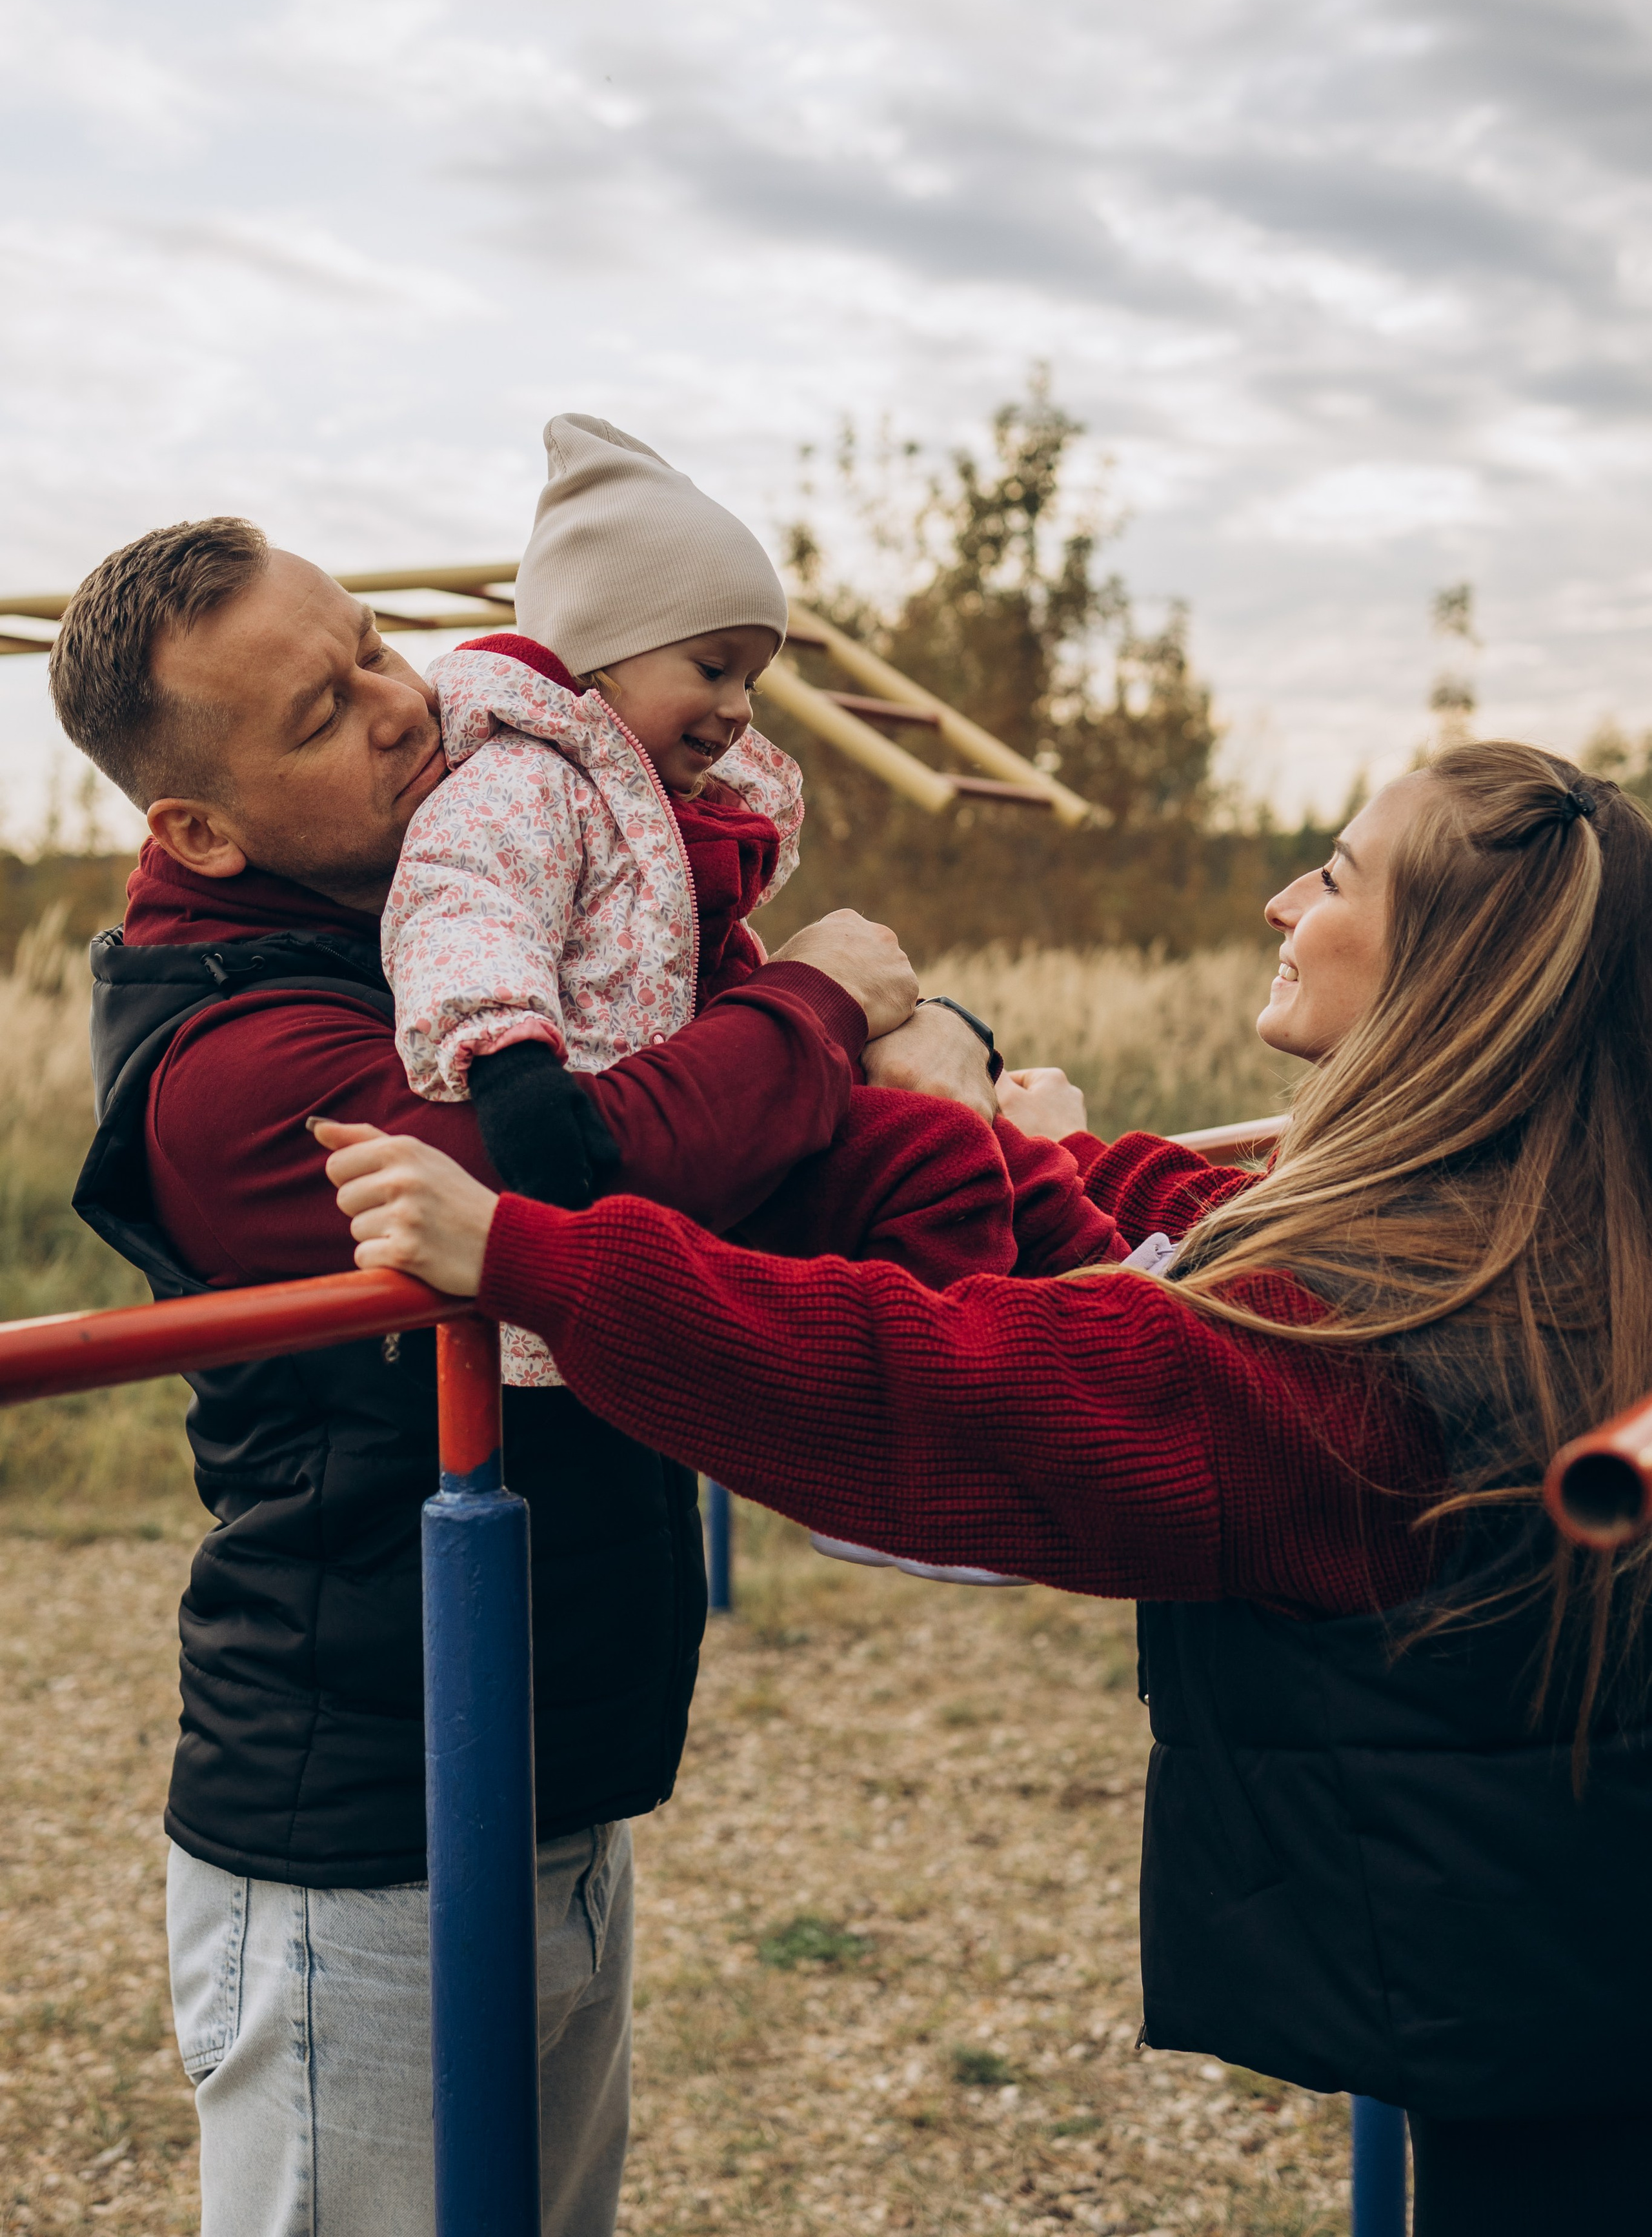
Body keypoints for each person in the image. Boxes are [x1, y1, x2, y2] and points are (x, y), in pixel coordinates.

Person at [317, 741, 1652, 2237]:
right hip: (1580, 1947)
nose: (1282, 900)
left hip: (1547, 2027)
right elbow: (1234, 1246)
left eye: (1333, 877)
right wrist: (1049, 1152)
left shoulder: (1371, 1360)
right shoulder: (1565, 1225)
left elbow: (957, 1391)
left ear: (1448, 974)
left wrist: (534, 1259)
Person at [45, 513, 1009, 2237]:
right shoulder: (236, 1057)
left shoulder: (444, 899)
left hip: (544, 1758)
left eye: (368, 649)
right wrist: (822, 1007)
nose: (398, 707)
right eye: (319, 716)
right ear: (196, 824)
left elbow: (714, 1126)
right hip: (366, 1815)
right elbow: (579, 1179)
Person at [383, 412, 1118, 1406]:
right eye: (712, 667)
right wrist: (513, 1067)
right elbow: (465, 904)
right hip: (597, 1153)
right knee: (926, 1155)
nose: (739, 707)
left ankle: (1110, 1299)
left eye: (753, 679)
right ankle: (937, 1410)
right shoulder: (527, 781)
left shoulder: (663, 814)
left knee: (958, 1132)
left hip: (716, 1135)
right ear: (602, 654)